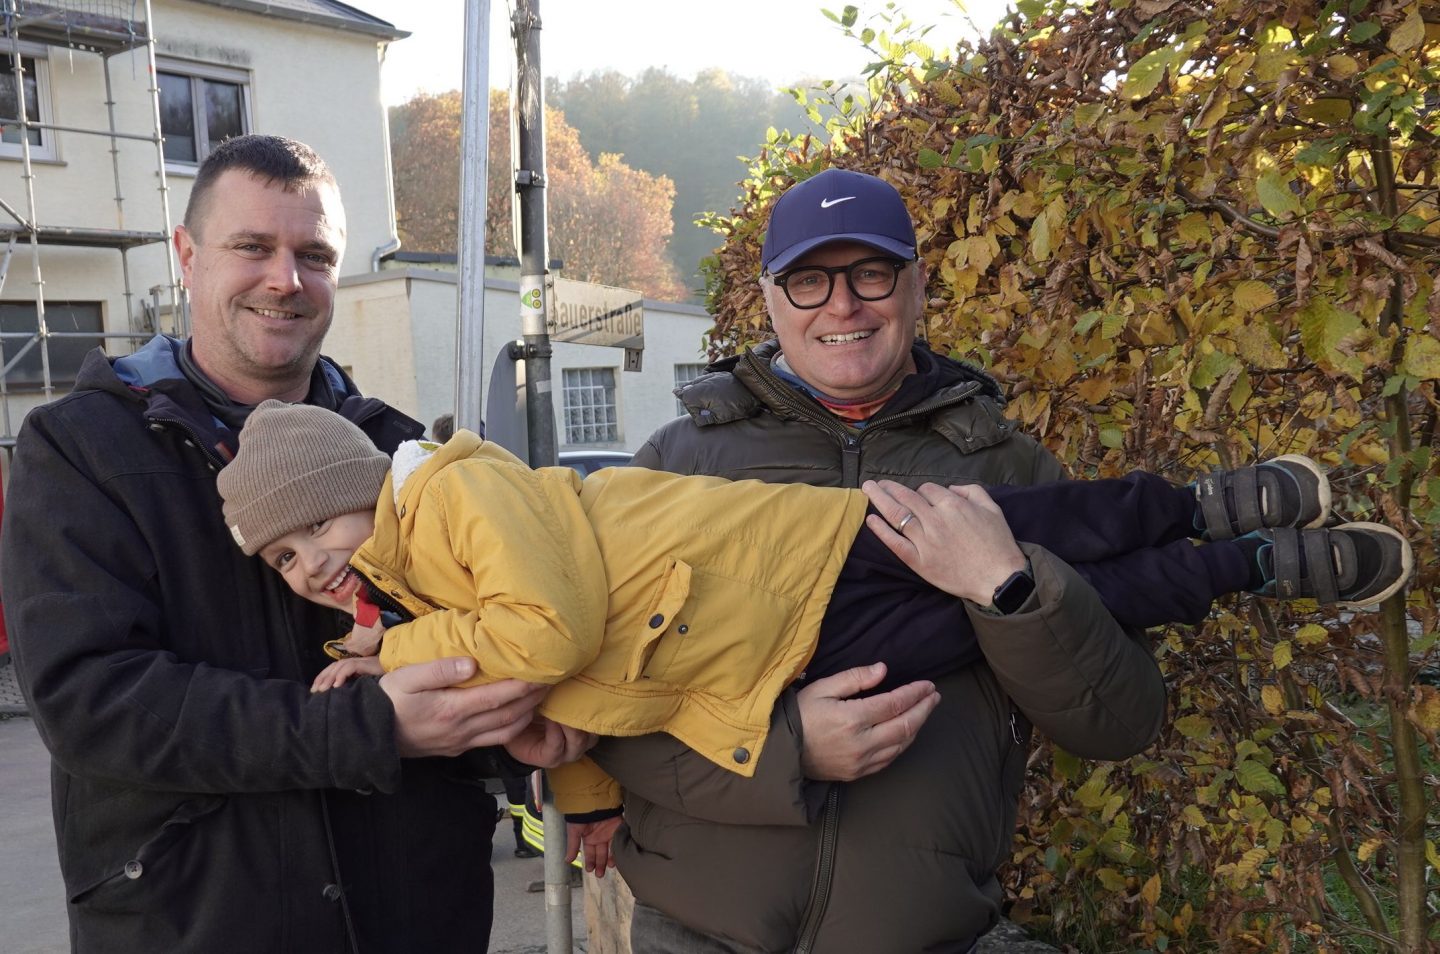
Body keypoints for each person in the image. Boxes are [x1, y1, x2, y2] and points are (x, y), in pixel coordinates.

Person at [579, 166, 1388, 954]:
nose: (843, 305)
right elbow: (600, 716)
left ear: (916, 285)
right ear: (769, 298)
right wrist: (787, 751)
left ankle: (1239, 551)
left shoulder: (1009, 465)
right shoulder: (675, 467)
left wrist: (1008, 592)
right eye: (809, 281)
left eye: (870, 274)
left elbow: (1118, 722)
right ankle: (1237, 551)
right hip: (694, 932)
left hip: (920, 932)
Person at [214, 401, 1410, 875]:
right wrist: (585, 801)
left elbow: (553, 630)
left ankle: (1203, 504)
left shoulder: (452, 496)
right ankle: (1248, 568)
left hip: (797, 560)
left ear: (357, 484)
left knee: (1041, 527)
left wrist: (399, 659)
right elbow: (564, 702)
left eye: (312, 529)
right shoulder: (411, 589)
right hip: (777, 649)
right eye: (284, 563)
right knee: (1041, 599)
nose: (310, 566)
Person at [0, 135, 589, 954]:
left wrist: (532, 747)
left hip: (416, 918)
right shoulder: (82, 448)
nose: (286, 279)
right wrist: (368, 726)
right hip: (194, 924)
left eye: (315, 256)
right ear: (187, 255)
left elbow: (501, 635)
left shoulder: (401, 452)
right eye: (253, 247)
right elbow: (92, 701)